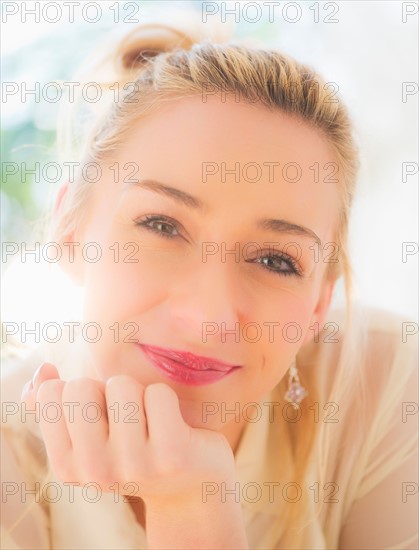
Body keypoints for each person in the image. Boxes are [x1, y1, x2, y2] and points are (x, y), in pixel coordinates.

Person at [1, 20, 418, 550]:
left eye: (276, 260)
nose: (209, 316)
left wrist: (194, 512)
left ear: (320, 302)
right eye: (162, 225)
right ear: (72, 230)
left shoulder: (386, 384)